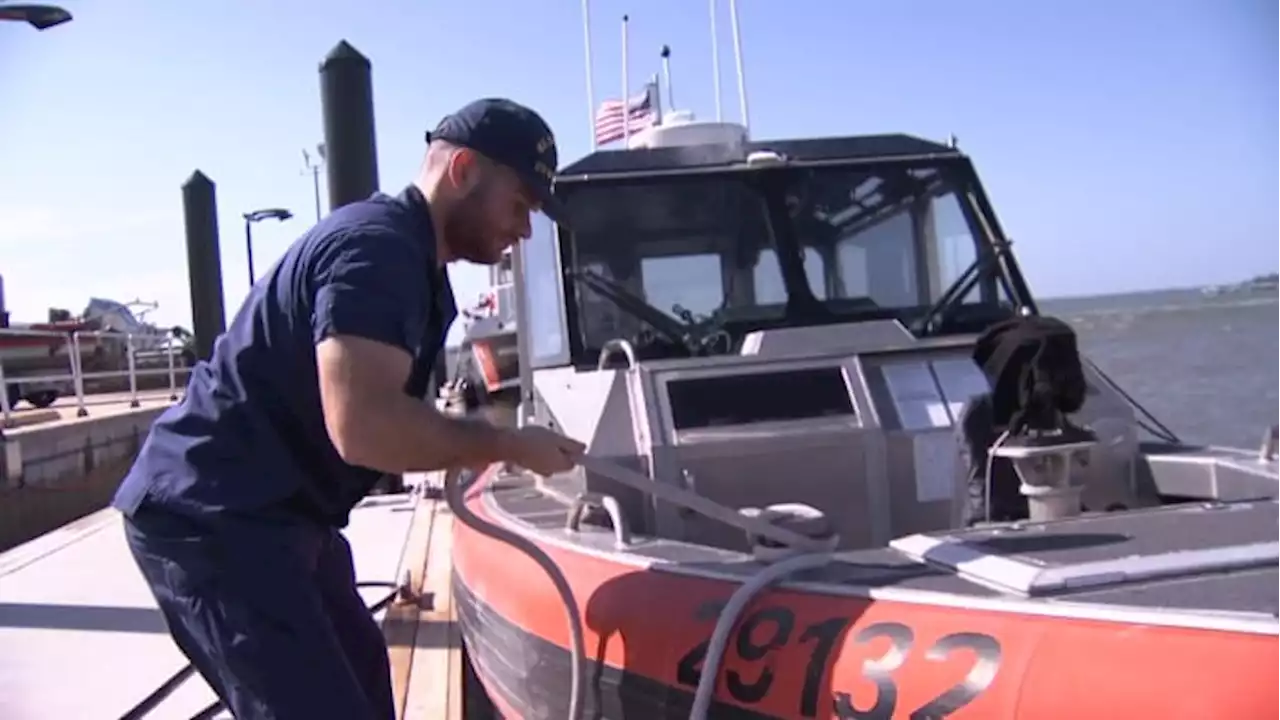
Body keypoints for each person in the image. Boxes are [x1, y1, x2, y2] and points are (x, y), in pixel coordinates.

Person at [112, 98, 587, 720]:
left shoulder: (410, 262)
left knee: (363, 682)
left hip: (282, 515)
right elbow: (363, 427)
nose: (525, 229)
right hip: (215, 517)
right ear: (464, 169)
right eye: (520, 203)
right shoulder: (377, 251)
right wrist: (506, 444)